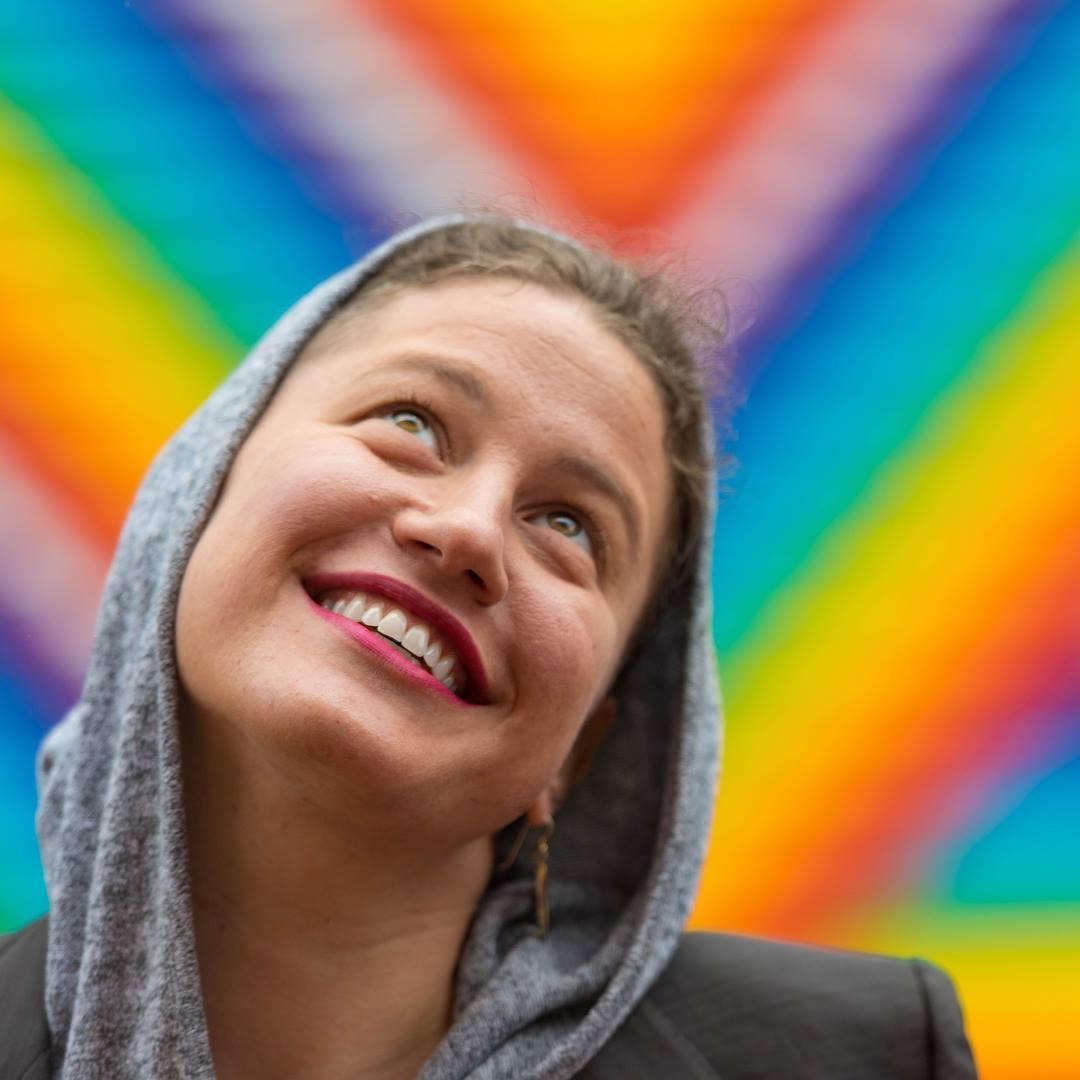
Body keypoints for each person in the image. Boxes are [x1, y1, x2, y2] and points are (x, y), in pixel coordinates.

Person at [0, 215, 979, 1079]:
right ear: (200, 490)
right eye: (411, 422)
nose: (467, 531)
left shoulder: (865, 1054)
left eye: (569, 525)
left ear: (586, 753)